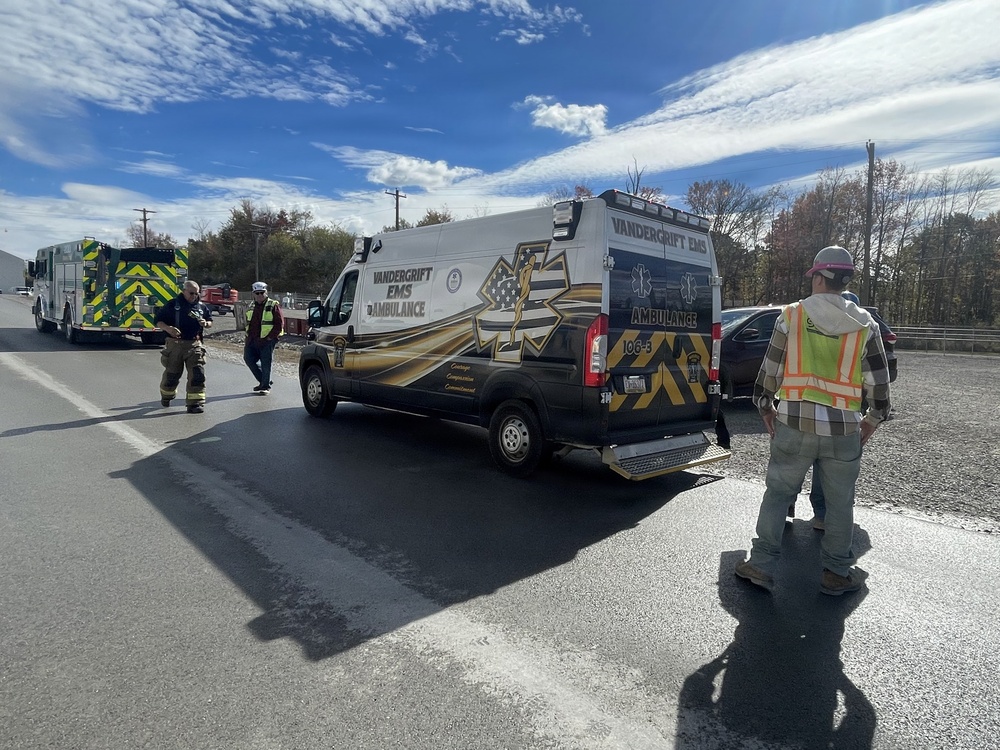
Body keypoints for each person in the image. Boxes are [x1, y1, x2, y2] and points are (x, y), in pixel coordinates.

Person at [735, 246, 891, 596]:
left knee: (777, 495)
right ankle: (836, 573)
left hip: (794, 424)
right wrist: (873, 420)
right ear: (845, 279)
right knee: (839, 503)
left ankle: (760, 564)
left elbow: (769, 372)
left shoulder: (791, 316)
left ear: (819, 277)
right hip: (844, 431)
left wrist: (765, 407)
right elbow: (878, 383)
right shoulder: (865, 324)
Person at [155, 280, 213, 413]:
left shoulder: (201, 307)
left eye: (196, 294)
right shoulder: (172, 305)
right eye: (191, 293)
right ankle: (167, 395)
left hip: (194, 345)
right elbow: (158, 320)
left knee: (197, 374)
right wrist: (168, 329)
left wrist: (206, 323)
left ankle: (195, 403)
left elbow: (210, 321)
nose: (194, 296)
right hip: (175, 345)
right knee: (172, 376)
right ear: (183, 291)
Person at [244, 281, 284, 394]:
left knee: (266, 363)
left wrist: (269, 338)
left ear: (266, 292)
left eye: (262, 292)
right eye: (257, 293)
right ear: (253, 294)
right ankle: (264, 381)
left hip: (267, 340)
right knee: (248, 359)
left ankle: (265, 387)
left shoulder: (273, 305)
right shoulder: (251, 306)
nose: (260, 295)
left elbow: (279, 324)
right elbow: (247, 322)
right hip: (252, 339)